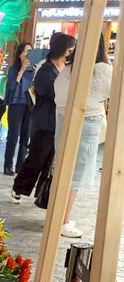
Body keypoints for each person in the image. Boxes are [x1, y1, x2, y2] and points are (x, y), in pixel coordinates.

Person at [53, 33, 112, 238]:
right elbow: (112, 91)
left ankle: (58, 217)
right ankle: (63, 220)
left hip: (63, 121)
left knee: (63, 169)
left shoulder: (69, 68)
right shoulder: (102, 69)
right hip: (87, 122)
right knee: (76, 174)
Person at [12, 31, 76, 204]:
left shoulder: (69, 69)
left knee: (50, 161)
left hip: (60, 121)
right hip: (44, 121)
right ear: (63, 49)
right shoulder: (44, 69)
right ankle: (19, 187)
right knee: (37, 157)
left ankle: (42, 195)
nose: (72, 51)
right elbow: (50, 93)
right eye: (71, 48)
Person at [3, 41, 34, 176]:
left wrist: (37, 71)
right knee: (13, 136)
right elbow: (11, 86)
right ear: (20, 54)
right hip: (16, 104)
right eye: (25, 51)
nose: (27, 54)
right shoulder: (13, 69)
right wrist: (22, 70)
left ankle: (20, 166)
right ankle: (8, 165)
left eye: (30, 52)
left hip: (30, 106)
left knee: (25, 137)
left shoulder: (34, 70)